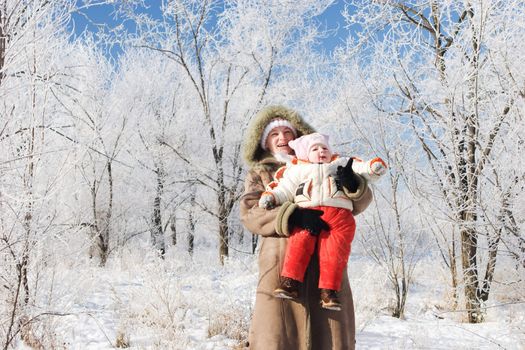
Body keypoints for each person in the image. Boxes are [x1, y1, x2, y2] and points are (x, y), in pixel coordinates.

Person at [240, 105, 373, 350]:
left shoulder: (329, 164)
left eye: (287, 132)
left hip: (327, 261)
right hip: (279, 267)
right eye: (274, 134)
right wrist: (291, 216)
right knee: (278, 336)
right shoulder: (260, 173)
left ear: (298, 137)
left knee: (330, 335)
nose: (282, 139)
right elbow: (250, 213)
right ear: (264, 142)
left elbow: (359, 203)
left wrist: (353, 183)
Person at [257, 132, 387, 311]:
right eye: (315, 149)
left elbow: (359, 167)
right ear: (304, 154)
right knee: (299, 242)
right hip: (307, 213)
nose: (321, 151)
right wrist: (272, 197)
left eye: (324, 148)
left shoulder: (338, 163)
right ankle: (290, 280)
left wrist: (369, 170)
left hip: (339, 216)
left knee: (335, 252)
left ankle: (329, 290)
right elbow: (285, 188)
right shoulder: (297, 169)